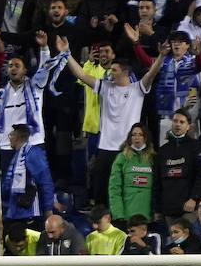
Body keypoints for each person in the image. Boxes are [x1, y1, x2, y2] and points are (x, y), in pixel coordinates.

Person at [60, 35, 167, 207]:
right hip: (105, 148)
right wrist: (66, 54)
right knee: (102, 191)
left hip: (127, 150)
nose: (111, 73)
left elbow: (151, 73)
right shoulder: (105, 87)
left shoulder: (137, 89)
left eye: (114, 70)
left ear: (125, 72)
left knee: (125, 191)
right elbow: (80, 73)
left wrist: (161, 56)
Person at [1, 123, 56, 224]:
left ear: (17, 137)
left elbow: (45, 181)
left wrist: (48, 208)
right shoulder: (16, 156)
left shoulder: (33, 153)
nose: (9, 139)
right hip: (14, 212)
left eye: (11, 135)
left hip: (30, 212)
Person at [109, 124, 155, 223]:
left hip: (147, 216)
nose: (137, 138)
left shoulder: (153, 158)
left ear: (145, 138)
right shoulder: (122, 158)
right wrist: (118, 213)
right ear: (130, 138)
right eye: (134, 135)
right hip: (126, 215)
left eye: (140, 134)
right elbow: (114, 188)